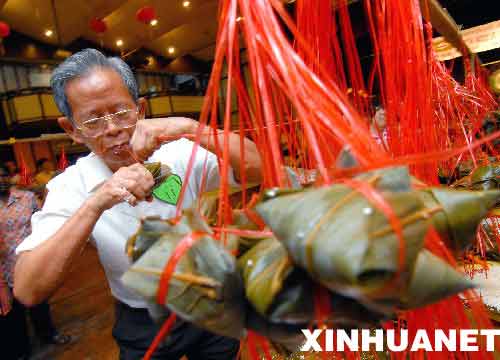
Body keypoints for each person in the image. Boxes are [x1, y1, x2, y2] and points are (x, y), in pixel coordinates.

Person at [13, 49, 262, 360]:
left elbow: (260, 167)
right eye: (93, 120)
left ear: (140, 109)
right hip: (144, 319)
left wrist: (189, 126)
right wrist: (97, 203)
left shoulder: (179, 153)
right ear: (71, 129)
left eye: (121, 113)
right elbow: (27, 288)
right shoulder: (70, 187)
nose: (113, 129)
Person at [1, 165, 70, 360]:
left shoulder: (27, 198)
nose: (1, 180)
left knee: (39, 303)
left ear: (10, 177)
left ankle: (48, 334)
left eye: (4, 176)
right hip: (3, 268)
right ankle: (20, 349)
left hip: (30, 260)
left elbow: (41, 223)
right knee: (11, 314)